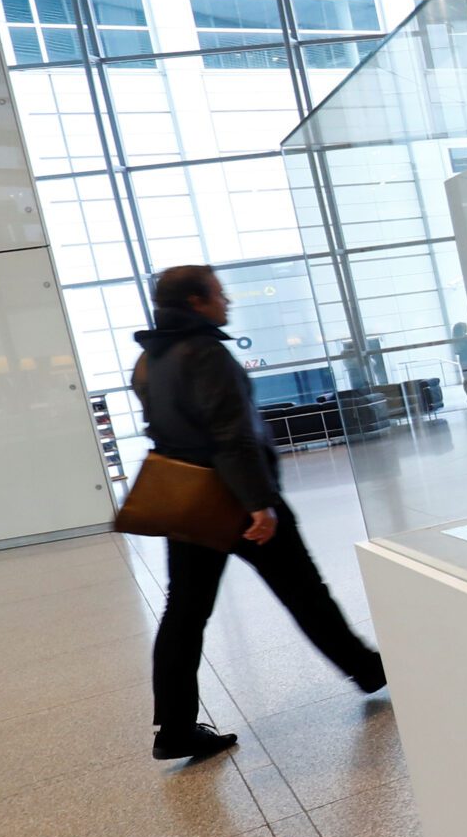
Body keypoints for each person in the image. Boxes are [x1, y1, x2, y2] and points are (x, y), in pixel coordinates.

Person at [134, 264, 385, 763]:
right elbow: (233, 435)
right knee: (305, 593)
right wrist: (258, 503)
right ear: (195, 303)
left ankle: (176, 729)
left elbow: (160, 426)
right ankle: (369, 670)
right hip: (237, 500)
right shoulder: (206, 353)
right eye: (219, 294)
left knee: (183, 612)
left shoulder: (149, 360)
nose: (227, 302)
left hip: (190, 503)